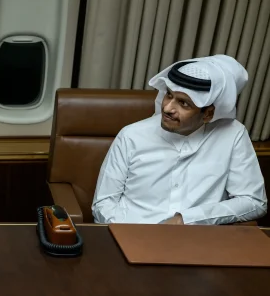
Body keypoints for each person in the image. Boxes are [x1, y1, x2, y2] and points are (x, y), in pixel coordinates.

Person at [92, 54, 267, 225]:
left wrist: (187, 219)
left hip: (197, 238)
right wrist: (131, 233)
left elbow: (253, 201)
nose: (167, 108)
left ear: (208, 113)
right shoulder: (131, 135)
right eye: (169, 95)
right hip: (131, 231)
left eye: (183, 103)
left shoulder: (233, 135)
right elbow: (103, 204)